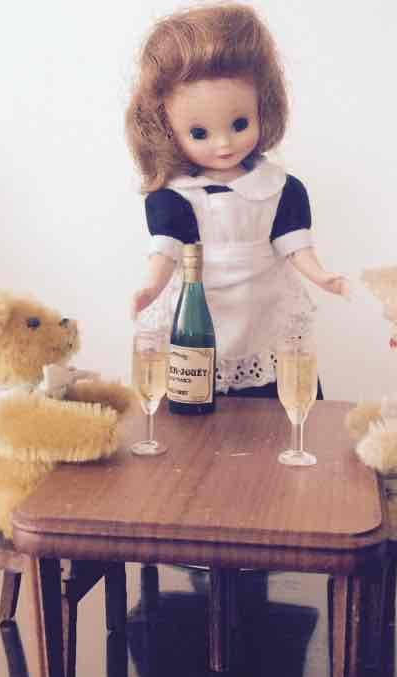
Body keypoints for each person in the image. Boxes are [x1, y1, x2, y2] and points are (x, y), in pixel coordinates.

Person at [125, 2, 348, 398]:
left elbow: (295, 246)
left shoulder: (280, 188)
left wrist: (322, 276)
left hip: (263, 308)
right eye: (199, 133)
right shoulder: (174, 198)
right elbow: (166, 252)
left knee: (280, 393)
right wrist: (150, 288)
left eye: (239, 124)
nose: (224, 144)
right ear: (167, 129)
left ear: (264, 108)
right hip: (199, 312)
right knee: (197, 396)